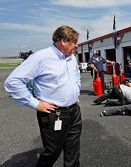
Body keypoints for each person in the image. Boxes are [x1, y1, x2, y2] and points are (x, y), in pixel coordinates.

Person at [4, 26, 82, 167]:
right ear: (63, 41)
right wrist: (35, 103)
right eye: (74, 42)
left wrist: (75, 93)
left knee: (73, 152)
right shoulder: (41, 57)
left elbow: (76, 77)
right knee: (52, 152)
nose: (76, 45)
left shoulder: (72, 58)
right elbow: (13, 82)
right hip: (54, 113)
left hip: (74, 111)